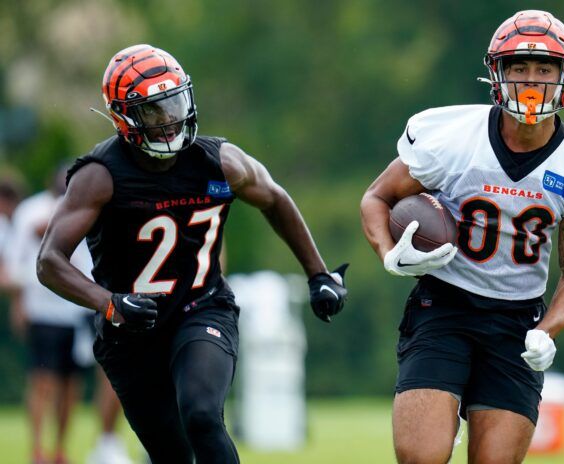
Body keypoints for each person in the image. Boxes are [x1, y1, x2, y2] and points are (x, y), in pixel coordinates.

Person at [37, 44, 347, 464]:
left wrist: (318, 274)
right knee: (172, 453)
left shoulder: (221, 162)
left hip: (201, 308)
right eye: (153, 111)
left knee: (201, 415)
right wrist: (108, 303)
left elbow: (275, 199)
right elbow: (49, 262)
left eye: (173, 103)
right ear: (123, 116)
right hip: (130, 328)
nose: (169, 120)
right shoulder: (100, 177)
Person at [361, 10, 564, 464]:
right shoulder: (452, 137)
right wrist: (389, 253)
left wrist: (546, 332)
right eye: (519, 67)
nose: (531, 79)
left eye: (544, 68)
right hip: (444, 307)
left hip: (516, 325)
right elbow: (377, 198)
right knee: (420, 456)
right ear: (497, 73)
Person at [4, 166, 94, 464]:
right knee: (42, 381)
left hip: (78, 309)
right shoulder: (31, 211)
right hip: (43, 309)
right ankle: (37, 449)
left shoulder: (93, 205)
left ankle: (59, 449)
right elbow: (17, 260)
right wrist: (19, 304)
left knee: (71, 385)